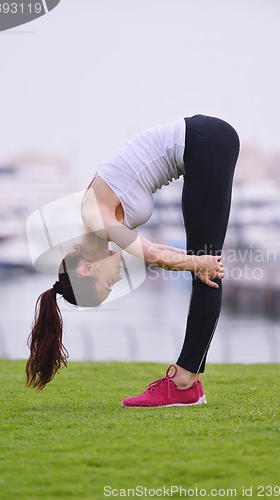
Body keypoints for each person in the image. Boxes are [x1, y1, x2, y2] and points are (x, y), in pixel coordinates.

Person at [26, 114, 240, 408]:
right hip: (202, 145)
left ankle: (183, 383)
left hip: (204, 142)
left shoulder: (95, 218)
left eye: (106, 286)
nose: (116, 280)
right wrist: (194, 262)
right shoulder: (98, 224)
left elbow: (152, 255)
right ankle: (188, 381)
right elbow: (155, 250)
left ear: (87, 268)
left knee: (206, 267)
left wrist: (196, 263)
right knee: (203, 263)